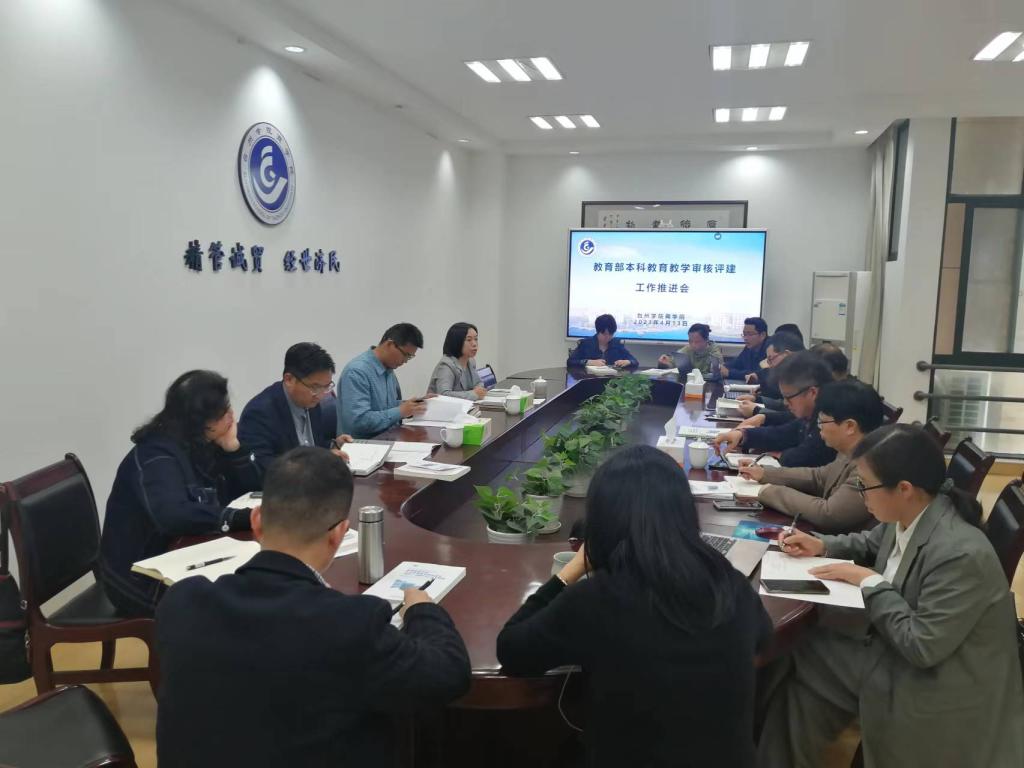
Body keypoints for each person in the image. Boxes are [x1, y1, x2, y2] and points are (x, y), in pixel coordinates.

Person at [156, 447, 471, 768]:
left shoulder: (182, 603)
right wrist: (422, 610)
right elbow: (449, 673)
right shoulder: (350, 624)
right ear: (338, 534)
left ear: (256, 521)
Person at [758, 424, 1024, 767]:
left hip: (938, 685)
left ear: (904, 489)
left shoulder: (961, 553)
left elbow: (922, 646)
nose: (861, 495)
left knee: (804, 657)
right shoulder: (914, 512)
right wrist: (821, 545)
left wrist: (871, 582)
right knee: (802, 650)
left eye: (864, 486)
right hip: (898, 649)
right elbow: (870, 544)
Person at [497, 445, 771, 768]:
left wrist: (570, 571)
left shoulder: (598, 598)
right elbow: (763, 635)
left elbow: (512, 650)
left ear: (602, 521)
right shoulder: (728, 583)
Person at [100, 371, 259, 617]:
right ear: (198, 421)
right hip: (139, 577)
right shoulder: (155, 456)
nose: (231, 416)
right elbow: (174, 515)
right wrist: (240, 518)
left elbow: (252, 490)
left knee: (255, 587)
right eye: (221, 413)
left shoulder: (203, 443)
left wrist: (234, 449)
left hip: (184, 558)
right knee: (233, 609)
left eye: (228, 407)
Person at [736, 380, 884, 533]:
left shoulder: (870, 465)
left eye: (822, 421)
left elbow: (828, 514)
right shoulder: (850, 450)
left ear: (849, 426)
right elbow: (819, 477)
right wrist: (765, 473)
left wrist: (771, 492)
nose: (819, 428)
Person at [238, 342, 352, 476]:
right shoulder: (259, 413)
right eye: (315, 387)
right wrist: (315, 463)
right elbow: (261, 467)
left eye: (326, 386)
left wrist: (333, 445)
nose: (321, 395)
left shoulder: (312, 401)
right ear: (289, 379)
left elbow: (310, 445)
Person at [714, 352, 836, 468]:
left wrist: (777, 456)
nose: (785, 403)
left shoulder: (831, 420)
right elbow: (783, 434)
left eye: (788, 398)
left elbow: (805, 457)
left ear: (812, 393)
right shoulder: (810, 414)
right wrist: (742, 435)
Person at [338, 323, 428, 438]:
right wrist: (400, 412)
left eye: (410, 357)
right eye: (405, 354)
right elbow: (359, 422)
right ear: (390, 344)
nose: (405, 361)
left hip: (388, 439)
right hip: (363, 445)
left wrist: (415, 405)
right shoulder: (357, 372)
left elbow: (386, 407)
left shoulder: (388, 370)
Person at [736, 332, 805, 418]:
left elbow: (793, 418)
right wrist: (757, 399)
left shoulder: (807, 377)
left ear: (787, 355)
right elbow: (783, 405)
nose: (770, 366)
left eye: (770, 359)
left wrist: (757, 411)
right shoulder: (796, 374)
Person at [428, 322, 487, 400]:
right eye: (469, 340)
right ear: (457, 342)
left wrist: (479, 390)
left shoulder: (470, 361)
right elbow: (443, 395)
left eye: (476, 339)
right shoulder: (446, 365)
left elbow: (478, 383)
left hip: (465, 406)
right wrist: (473, 394)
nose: (474, 344)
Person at [566, 314, 638, 368]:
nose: (608, 337)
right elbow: (570, 362)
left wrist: (628, 362)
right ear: (598, 331)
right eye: (604, 334)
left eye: (611, 334)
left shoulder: (617, 344)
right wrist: (588, 362)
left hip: (612, 380)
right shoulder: (586, 344)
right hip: (590, 379)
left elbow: (635, 361)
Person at [657, 322, 724, 376]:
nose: (693, 345)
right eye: (690, 341)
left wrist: (716, 369)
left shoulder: (714, 351)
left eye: (697, 342)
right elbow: (672, 363)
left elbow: (718, 372)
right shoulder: (688, 349)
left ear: (706, 340)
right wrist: (664, 362)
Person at [721, 317, 768, 381]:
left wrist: (729, 373)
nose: (745, 338)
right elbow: (736, 363)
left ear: (763, 335)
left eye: (750, 334)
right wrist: (722, 367)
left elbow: (757, 373)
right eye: (744, 334)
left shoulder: (770, 349)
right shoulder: (749, 347)